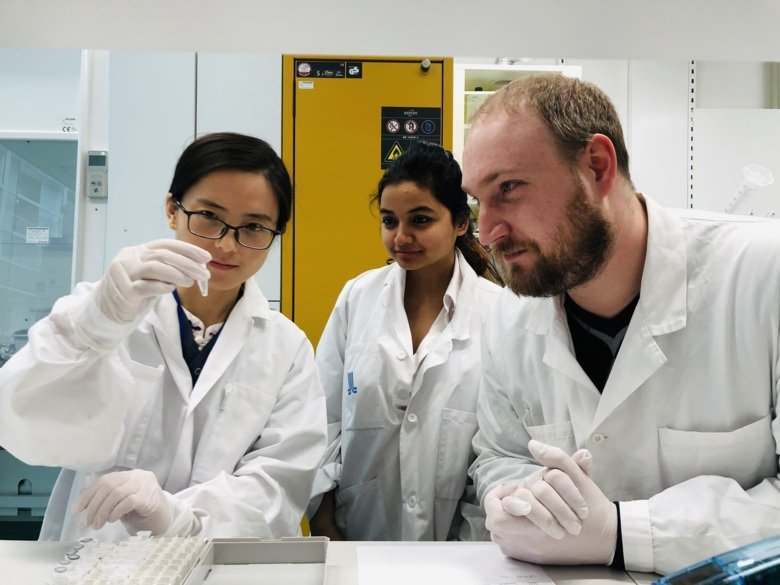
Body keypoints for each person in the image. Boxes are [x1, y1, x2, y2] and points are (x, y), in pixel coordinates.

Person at [461, 74, 780, 575]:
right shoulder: (510, 313)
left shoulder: (765, 276)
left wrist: (621, 532)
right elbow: (501, 454)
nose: (487, 233)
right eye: (479, 201)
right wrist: (516, 497)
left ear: (597, 166)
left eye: (509, 188)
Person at [0, 132, 327, 541]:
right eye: (209, 216)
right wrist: (96, 327)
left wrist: (178, 515)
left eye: (254, 227)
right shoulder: (101, 309)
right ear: (173, 209)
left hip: (221, 560)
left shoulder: (286, 348)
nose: (228, 244)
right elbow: (25, 428)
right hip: (100, 557)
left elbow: (279, 484)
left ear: (276, 234)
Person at [307, 141, 503, 541]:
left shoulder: (500, 312)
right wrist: (323, 515)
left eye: (420, 220)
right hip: (359, 534)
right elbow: (322, 417)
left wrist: (472, 547)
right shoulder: (357, 298)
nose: (401, 237)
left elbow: (499, 446)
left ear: (461, 222)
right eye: (389, 220)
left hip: (465, 550)